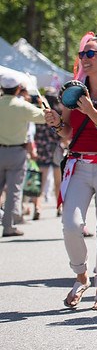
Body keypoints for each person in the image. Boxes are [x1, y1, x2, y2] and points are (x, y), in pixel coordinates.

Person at [44, 31, 97, 310]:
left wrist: (92, 112)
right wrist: (57, 123)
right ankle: (81, 275)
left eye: (90, 54)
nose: (84, 59)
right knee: (70, 226)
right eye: (82, 54)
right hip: (79, 165)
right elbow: (68, 134)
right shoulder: (73, 89)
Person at [0, 74, 46, 236]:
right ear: (18, 88)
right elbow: (44, 117)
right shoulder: (22, 106)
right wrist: (42, 105)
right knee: (14, 191)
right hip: (17, 152)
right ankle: (8, 226)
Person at [32, 88, 64, 220]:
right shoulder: (59, 113)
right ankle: (59, 207)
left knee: (41, 181)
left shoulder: (41, 114)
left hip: (42, 149)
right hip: (56, 148)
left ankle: (37, 207)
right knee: (58, 181)